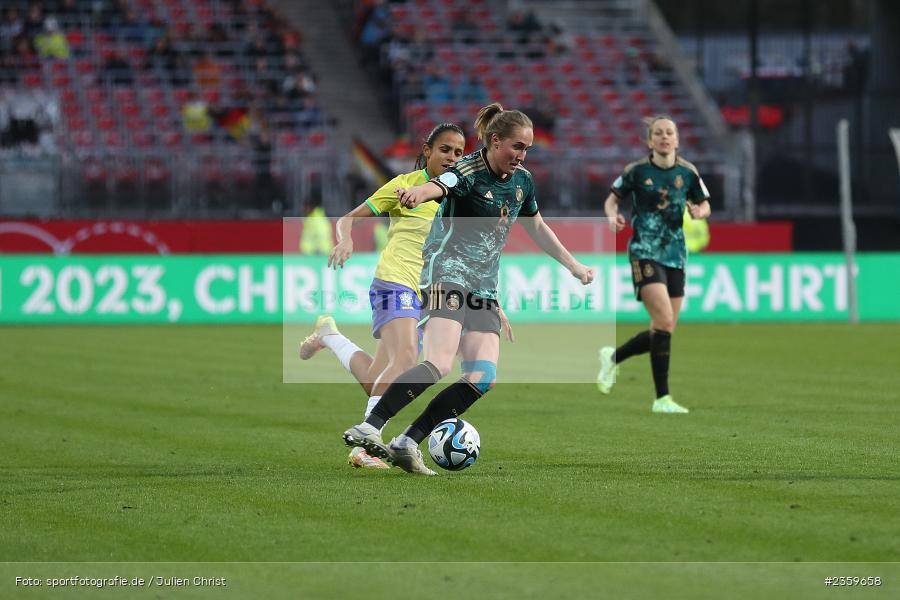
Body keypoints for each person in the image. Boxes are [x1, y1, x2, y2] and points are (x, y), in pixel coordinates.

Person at [342, 103, 596, 475]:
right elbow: (440, 184)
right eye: (516, 147)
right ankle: (371, 426)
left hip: (484, 287)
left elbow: (537, 227)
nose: (521, 155)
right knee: (440, 362)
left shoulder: (522, 181)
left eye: (527, 149)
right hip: (447, 273)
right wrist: (419, 194)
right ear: (495, 141)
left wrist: (573, 266)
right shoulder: (468, 170)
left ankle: (407, 442)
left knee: (482, 377)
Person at [299, 123, 469, 469]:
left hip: (426, 294)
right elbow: (348, 219)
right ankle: (364, 445)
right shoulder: (404, 186)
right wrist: (345, 238)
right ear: (427, 151)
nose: (451, 157)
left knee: (380, 379)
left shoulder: (458, 196)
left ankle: (330, 336)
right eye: (445, 150)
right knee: (408, 358)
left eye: (458, 153)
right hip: (394, 281)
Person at [597, 115, 711, 413]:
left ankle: (612, 358)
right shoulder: (636, 171)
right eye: (658, 133)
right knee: (662, 321)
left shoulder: (688, 172)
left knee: (665, 327)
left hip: (675, 253)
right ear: (650, 141)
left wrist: (699, 211)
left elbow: (705, 203)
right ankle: (662, 399)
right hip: (644, 251)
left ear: (677, 139)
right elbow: (612, 199)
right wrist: (612, 215)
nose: (664, 137)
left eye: (669, 132)